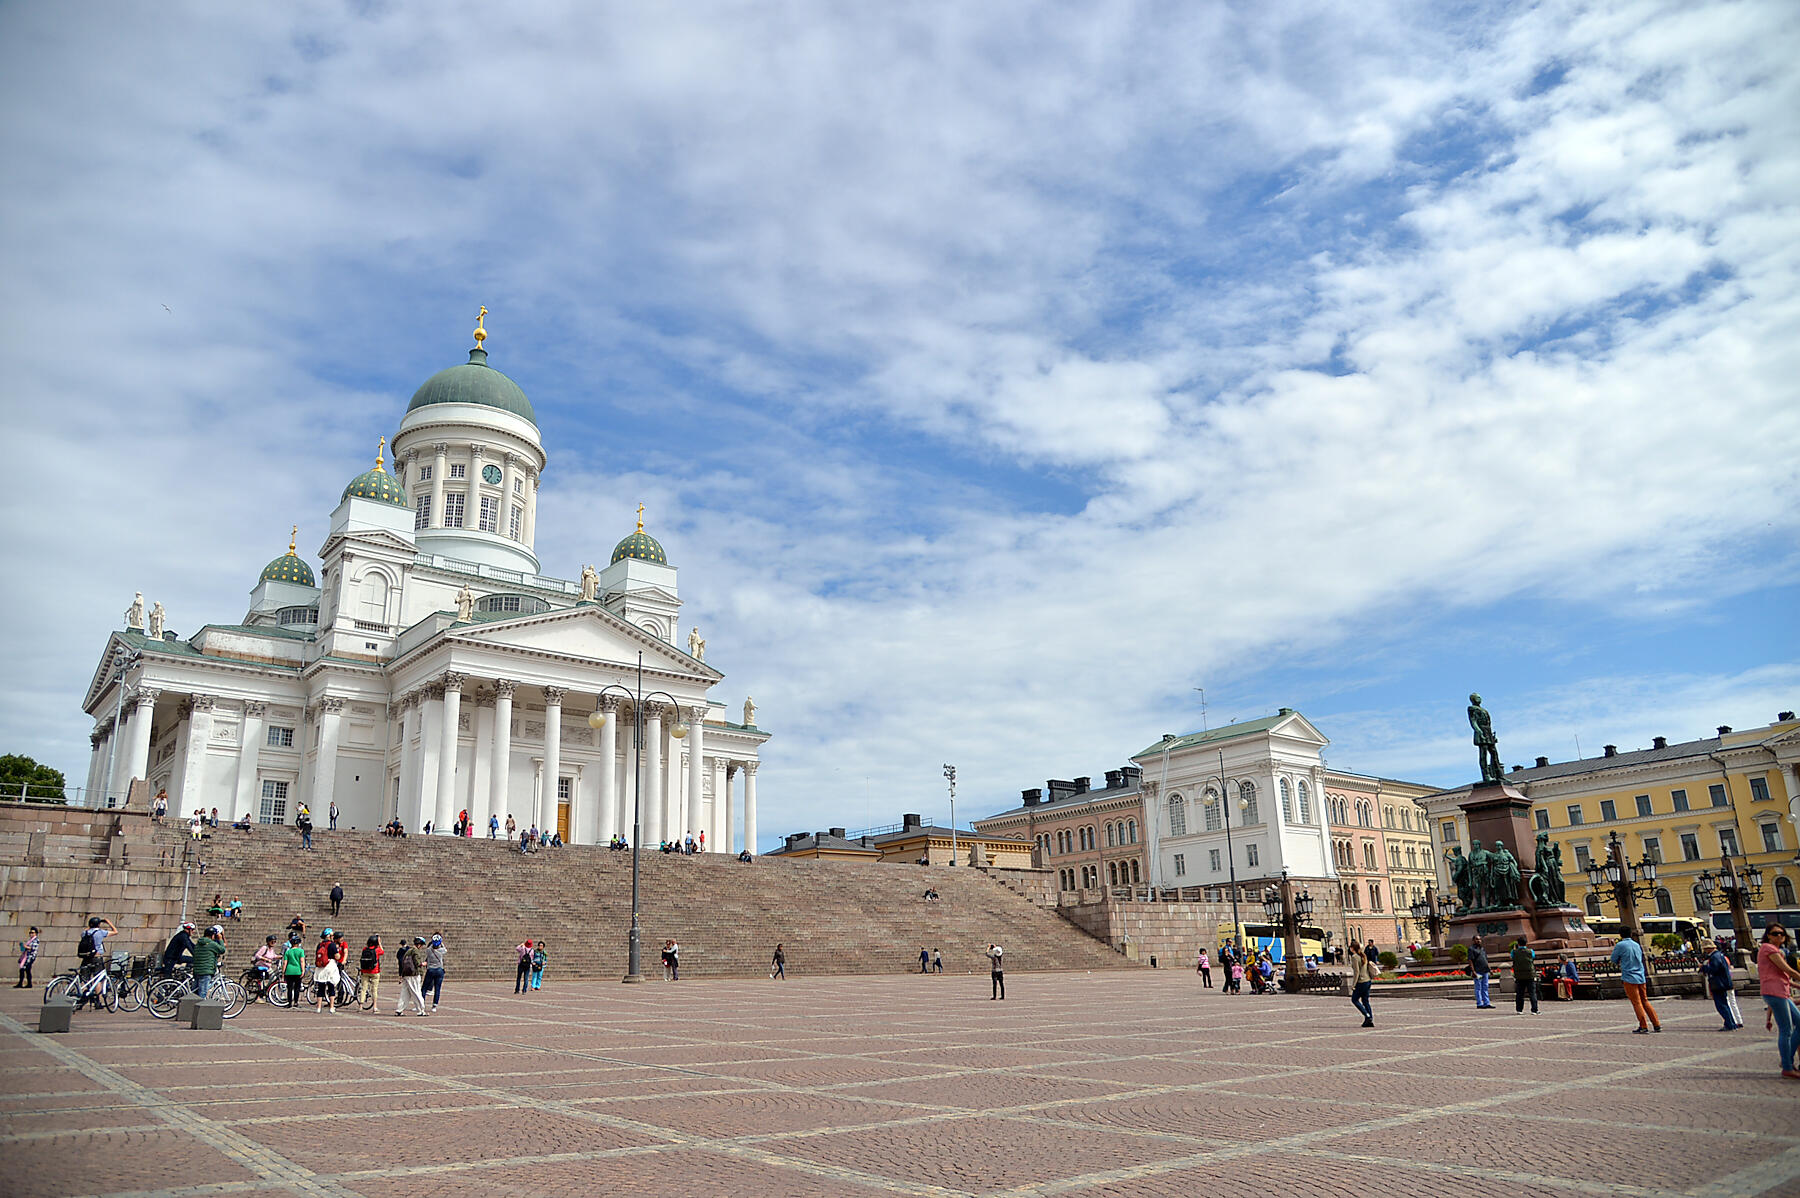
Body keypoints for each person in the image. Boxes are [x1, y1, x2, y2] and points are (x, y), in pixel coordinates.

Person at [1756, 924, 1800, 1078]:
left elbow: (1783, 976)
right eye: (1775, 933)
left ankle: (1787, 1059)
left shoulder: (1775, 950)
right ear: (1768, 935)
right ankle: (1787, 1067)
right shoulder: (1768, 949)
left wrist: (1796, 985)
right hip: (1774, 992)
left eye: (1781, 933)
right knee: (1786, 1030)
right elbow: (1787, 970)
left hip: (1781, 992)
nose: (1779, 936)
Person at [1610, 929, 1661, 1033]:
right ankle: (1656, 1024)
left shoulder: (1620, 945)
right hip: (1641, 976)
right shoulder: (1636, 945)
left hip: (1629, 977)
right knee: (1645, 1000)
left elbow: (1613, 959)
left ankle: (1643, 1026)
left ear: (1620, 935)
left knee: (1636, 1002)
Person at [1700, 939, 1741, 1031]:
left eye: (1705, 949)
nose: (1705, 951)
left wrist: (1703, 967)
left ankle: (1729, 1024)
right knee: (1725, 1004)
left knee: (1721, 1005)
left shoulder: (1715, 957)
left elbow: (1713, 969)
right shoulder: (1719, 955)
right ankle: (1731, 1023)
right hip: (1723, 983)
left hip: (1719, 984)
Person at [395, 936, 427, 1016]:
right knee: (416, 992)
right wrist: (423, 964)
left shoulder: (408, 951)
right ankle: (421, 1010)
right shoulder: (415, 951)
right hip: (413, 975)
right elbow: (417, 963)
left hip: (406, 974)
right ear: (419, 944)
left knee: (405, 993)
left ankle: (399, 1009)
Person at [192, 925, 226, 999]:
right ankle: (201, 1006)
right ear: (212, 935)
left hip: (197, 970)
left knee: (195, 994)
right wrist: (220, 939)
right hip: (206, 971)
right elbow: (222, 950)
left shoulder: (199, 943)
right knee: (202, 994)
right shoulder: (211, 944)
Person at [1349, 937, 1375, 1027]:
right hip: (1368, 980)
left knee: (1354, 999)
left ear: (1352, 948)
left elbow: (1357, 972)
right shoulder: (1363, 955)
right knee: (1365, 1001)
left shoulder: (1355, 957)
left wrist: (1353, 985)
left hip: (1361, 982)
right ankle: (1369, 1019)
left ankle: (1367, 1016)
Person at [312, 930, 340, 1015]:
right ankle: (331, 1007)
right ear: (328, 936)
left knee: (321, 988)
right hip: (330, 966)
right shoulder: (332, 945)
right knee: (331, 987)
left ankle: (318, 1007)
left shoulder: (320, 945)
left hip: (320, 968)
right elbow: (337, 956)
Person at [1510, 938, 1539, 1014]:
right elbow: (1533, 957)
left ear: (1518, 943)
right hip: (1530, 975)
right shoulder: (1530, 951)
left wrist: (1515, 949)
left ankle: (1519, 1010)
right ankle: (1534, 1010)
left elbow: (1512, 957)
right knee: (1532, 993)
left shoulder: (1514, 952)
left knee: (1520, 993)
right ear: (1526, 943)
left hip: (1519, 975)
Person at [358, 935, 384, 1010]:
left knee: (363, 989)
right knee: (374, 989)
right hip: (374, 971)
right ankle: (375, 1007)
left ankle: (360, 1006)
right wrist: (379, 943)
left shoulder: (364, 949)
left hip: (365, 971)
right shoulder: (377, 950)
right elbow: (382, 951)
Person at [282, 933, 307, 1007]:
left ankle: (289, 1002)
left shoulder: (288, 951)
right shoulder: (301, 951)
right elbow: (302, 961)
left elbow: (285, 963)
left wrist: (283, 972)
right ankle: (296, 1002)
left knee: (289, 988)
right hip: (297, 970)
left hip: (289, 970)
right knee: (297, 987)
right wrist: (303, 970)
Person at [424, 934, 447, 1010]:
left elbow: (428, 948)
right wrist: (441, 943)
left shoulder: (428, 951)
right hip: (439, 970)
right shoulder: (441, 951)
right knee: (437, 988)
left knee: (424, 988)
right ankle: (434, 1005)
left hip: (430, 970)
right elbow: (445, 949)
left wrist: (432, 943)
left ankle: (421, 1002)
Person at [1469, 935, 1493, 1009]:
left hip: (1485, 970)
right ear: (1473, 940)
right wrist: (1473, 971)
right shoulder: (1471, 949)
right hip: (1478, 971)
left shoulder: (1482, 949)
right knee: (1478, 987)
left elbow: (1485, 960)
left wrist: (1489, 969)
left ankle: (1486, 1003)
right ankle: (1479, 1003)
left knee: (1485, 987)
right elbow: (1470, 961)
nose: (1478, 941)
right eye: (1477, 939)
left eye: (1479, 939)